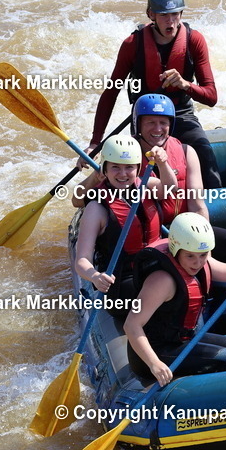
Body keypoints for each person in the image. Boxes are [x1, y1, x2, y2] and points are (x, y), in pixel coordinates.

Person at [81, 0, 222, 188]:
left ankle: (211, 208)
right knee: (135, 166)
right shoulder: (132, 44)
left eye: (175, 14)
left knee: (204, 151)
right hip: (144, 118)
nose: (171, 21)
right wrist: (95, 142)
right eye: (164, 15)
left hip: (180, 113)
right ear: (151, 15)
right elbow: (111, 92)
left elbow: (211, 97)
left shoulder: (194, 41)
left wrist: (185, 84)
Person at [125, 212, 226, 385]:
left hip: (183, 339)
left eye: (203, 255)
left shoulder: (202, 262)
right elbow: (131, 325)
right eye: (190, 256)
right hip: (155, 351)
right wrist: (154, 364)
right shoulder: (161, 281)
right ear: (176, 249)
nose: (197, 263)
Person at [131, 93, 226, 264]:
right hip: (147, 235)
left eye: (163, 122)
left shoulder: (187, 152)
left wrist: (204, 249)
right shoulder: (125, 157)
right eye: (150, 122)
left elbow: (197, 206)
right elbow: (163, 192)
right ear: (138, 125)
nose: (158, 129)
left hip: (183, 230)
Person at [73, 136, 162, 318]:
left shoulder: (146, 186)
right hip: (122, 279)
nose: (122, 174)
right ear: (104, 169)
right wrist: (96, 277)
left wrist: (163, 163)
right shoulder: (96, 209)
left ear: (138, 168)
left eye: (129, 167)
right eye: (115, 167)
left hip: (154, 265)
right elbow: (81, 261)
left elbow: (171, 187)